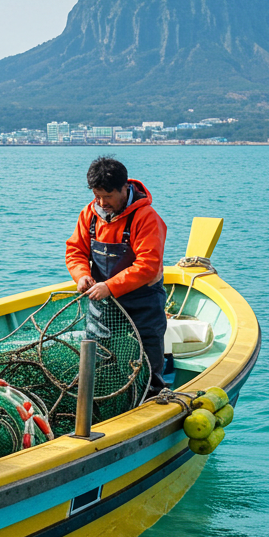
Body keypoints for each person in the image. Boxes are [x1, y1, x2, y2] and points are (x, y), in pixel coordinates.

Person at [66, 156, 169, 392]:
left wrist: (110, 286)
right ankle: (103, 395)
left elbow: (148, 265)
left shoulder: (147, 218)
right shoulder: (89, 215)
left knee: (147, 352)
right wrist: (81, 275)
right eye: (97, 196)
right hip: (101, 300)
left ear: (124, 188)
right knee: (98, 352)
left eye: (108, 196)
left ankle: (151, 395)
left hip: (143, 302)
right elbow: (75, 250)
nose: (102, 202)